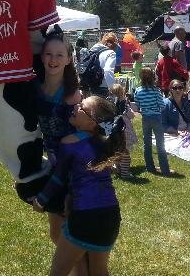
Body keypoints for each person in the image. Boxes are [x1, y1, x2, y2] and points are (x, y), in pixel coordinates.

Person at [32, 96, 125, 276]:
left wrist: (40, 201)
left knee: (58, 271)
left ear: (92, 123)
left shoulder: (70, 142)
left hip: (85, 216)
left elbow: (58, 179)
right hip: (111, 215)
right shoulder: (104, 143)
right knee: (99, 272)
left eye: (82, 108)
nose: (76, 107)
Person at [34, 26, 82, 266]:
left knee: (69, 233)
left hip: (74, 171)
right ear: (42, 56)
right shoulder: (35, 87)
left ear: (69, 59)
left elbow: (84, 136)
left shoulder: (72, 95)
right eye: (48, 54)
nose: (53, 60)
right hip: (53, 165)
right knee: (57, 234)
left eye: (59, 55)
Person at [134, 67, 172, 176]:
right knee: (160, 143)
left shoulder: (138, 90)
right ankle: (165, 169)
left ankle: (150, 167)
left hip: (145, 118)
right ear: (152, 77)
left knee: (147, 143)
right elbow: (162, 105)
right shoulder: (156, 91)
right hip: (156, 117)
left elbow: (137, 106)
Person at [110, 83, 138, 179]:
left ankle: (119, 170)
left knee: (118, 152)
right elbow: (131, 115)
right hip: (125, 130)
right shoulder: (125, 104)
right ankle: (125, 173)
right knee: (126, 154)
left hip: (114, 131)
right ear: (122, 92)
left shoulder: (111, 104)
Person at [88, 32, 118, 98]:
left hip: (89, 86)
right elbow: (107, 70)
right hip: (103, 88)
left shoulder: (92, 50)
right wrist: (112, 89)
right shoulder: (110, 53)